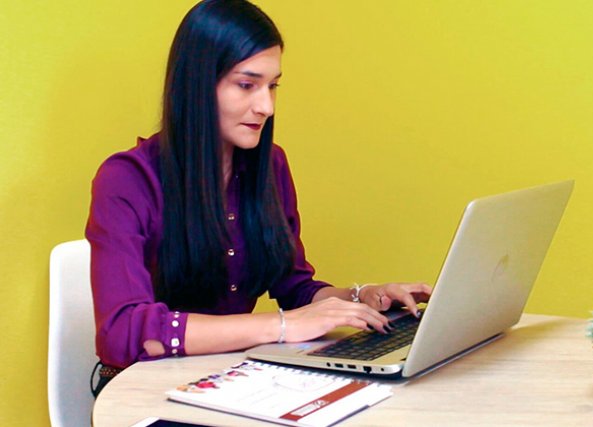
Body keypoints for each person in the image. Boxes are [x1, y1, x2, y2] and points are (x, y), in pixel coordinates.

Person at [86, 0, 431, 395]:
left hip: (233, 382)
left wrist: (363, 297)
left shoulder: (270, 166)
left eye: (273, 86)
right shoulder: (126, 180)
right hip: (144, 394)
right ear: (196, 85)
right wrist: (281, 326)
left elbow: (293, 285)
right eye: (247, 85)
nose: (265, 106)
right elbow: (123, 331)